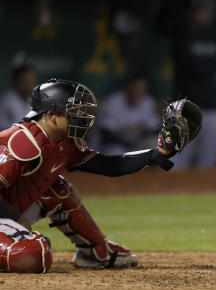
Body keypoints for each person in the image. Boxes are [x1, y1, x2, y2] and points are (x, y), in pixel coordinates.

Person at [0, 79, 190, 273]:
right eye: (73, 112)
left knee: (59, 189)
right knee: (33, 254)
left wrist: (156, 154)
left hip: (8, 219)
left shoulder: (65, 142)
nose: (81, 118)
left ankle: (96, 252)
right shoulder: (21, 142)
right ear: (51, 116)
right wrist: (17, 220)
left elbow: (108, 165)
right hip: (6, 215)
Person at [157, 0, 216, 169]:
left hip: (211, 106)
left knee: (209, 161)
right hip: (184, 109)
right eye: (194, 10)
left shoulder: (214, 35)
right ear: (187, 12)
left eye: (201, 10)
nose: (198, 14)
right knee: (176, 162)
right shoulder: (180, 35)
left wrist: (208, 67)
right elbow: (193, 67)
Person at [93, 73, 159, 155]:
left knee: (156, 147)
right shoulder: (113, 101)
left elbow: (155, 128)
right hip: (112, 146)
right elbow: (106, 135)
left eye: (141, 89)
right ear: (127, 87)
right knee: (115, 152)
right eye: (135, 88)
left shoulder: (147, 101)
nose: (138, 91)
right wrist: (129, 133)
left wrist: (141, 130)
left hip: (135, 145)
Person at [0, 64, 37, 130]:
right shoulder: (6, 101)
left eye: (32, 78)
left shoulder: (34, 99)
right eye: (26, 80)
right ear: (16, 81)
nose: (30, 83)